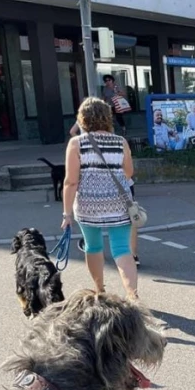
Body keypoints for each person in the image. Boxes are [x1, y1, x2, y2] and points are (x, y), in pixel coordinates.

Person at [61, 97, 139, 301]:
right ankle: (132, 296)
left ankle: (99, 290)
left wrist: (67, 213)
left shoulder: (76, 143)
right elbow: (128, 173)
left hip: (88, 205)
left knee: (93, 246)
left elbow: (70, 182)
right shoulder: (120, 142)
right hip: (118, 203)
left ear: (82, 119)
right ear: (107, 117)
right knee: (122, 248)